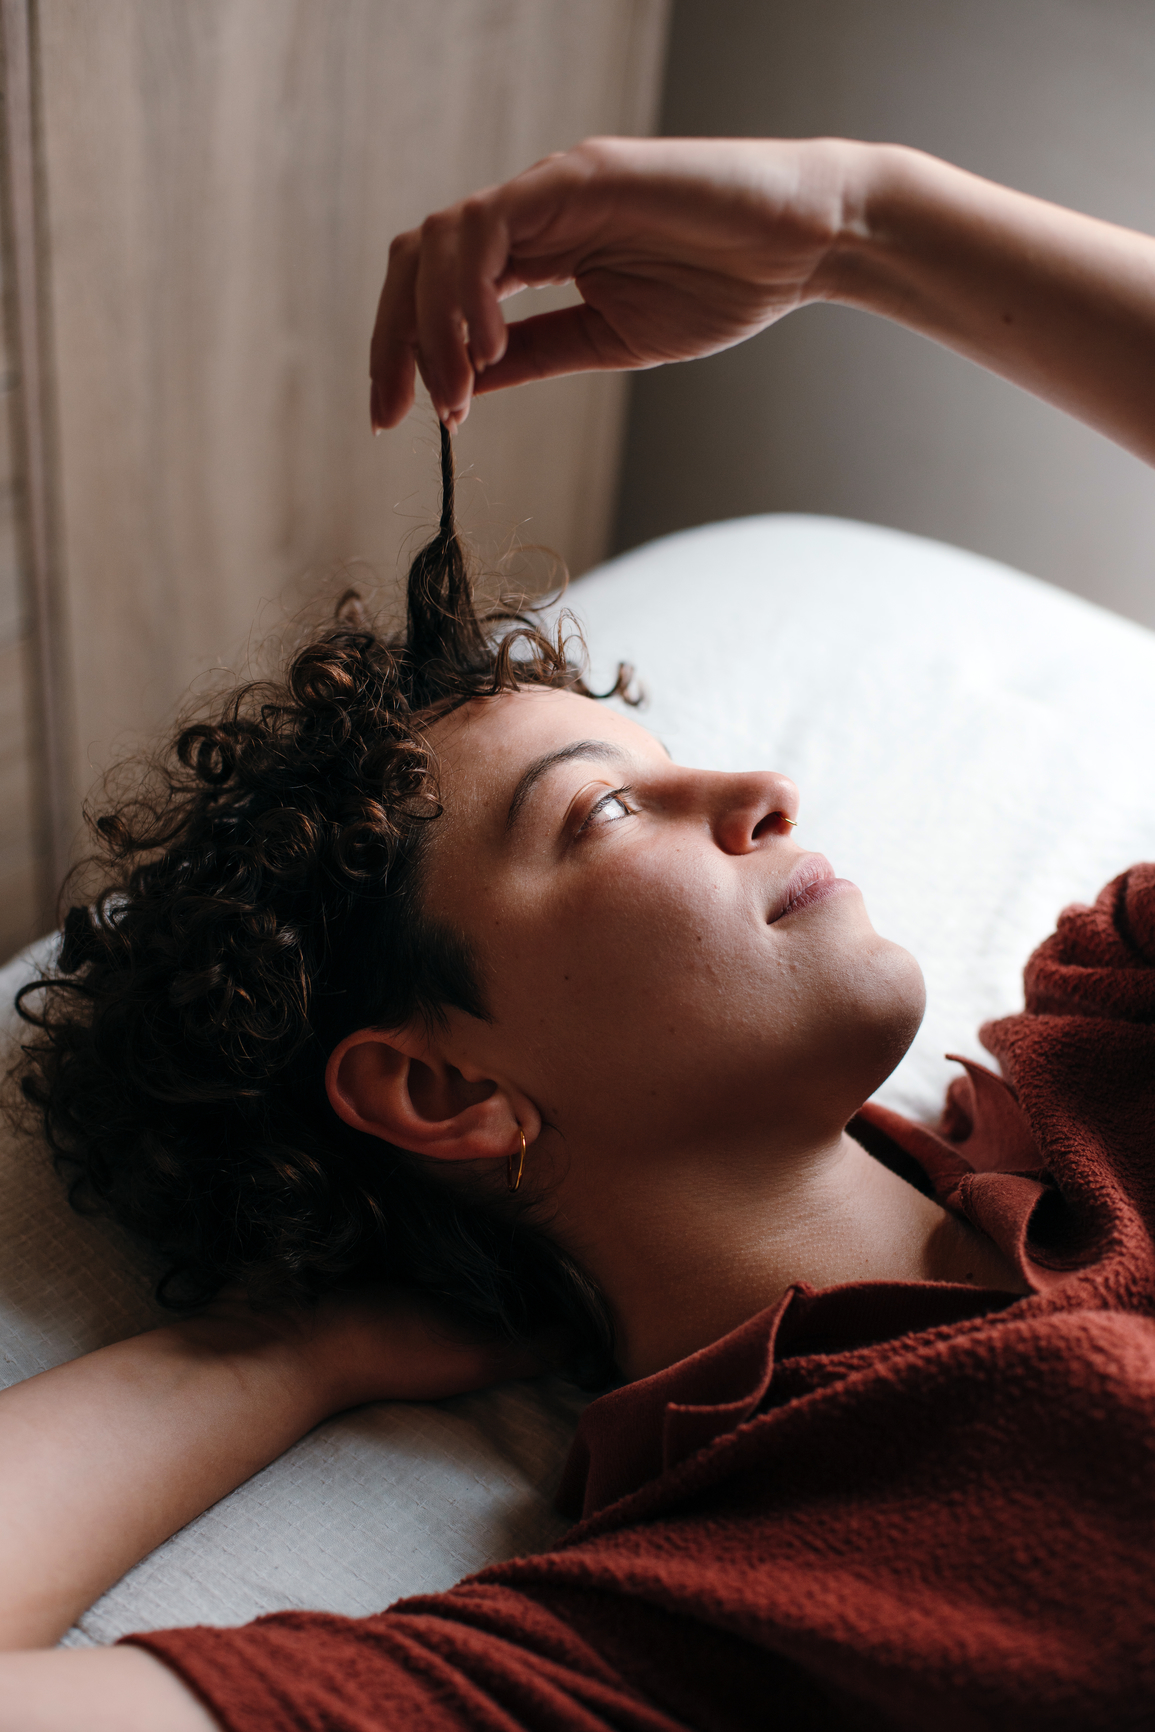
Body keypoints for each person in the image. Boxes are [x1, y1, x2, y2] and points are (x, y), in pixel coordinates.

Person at [1, 134, 1154, 1731]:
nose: (762, 790)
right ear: (442, 1092)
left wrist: (860, 224)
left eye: (675, 767)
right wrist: (273, 1362)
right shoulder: (679, 1626)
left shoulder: (1122, 1046)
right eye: (601, 813)